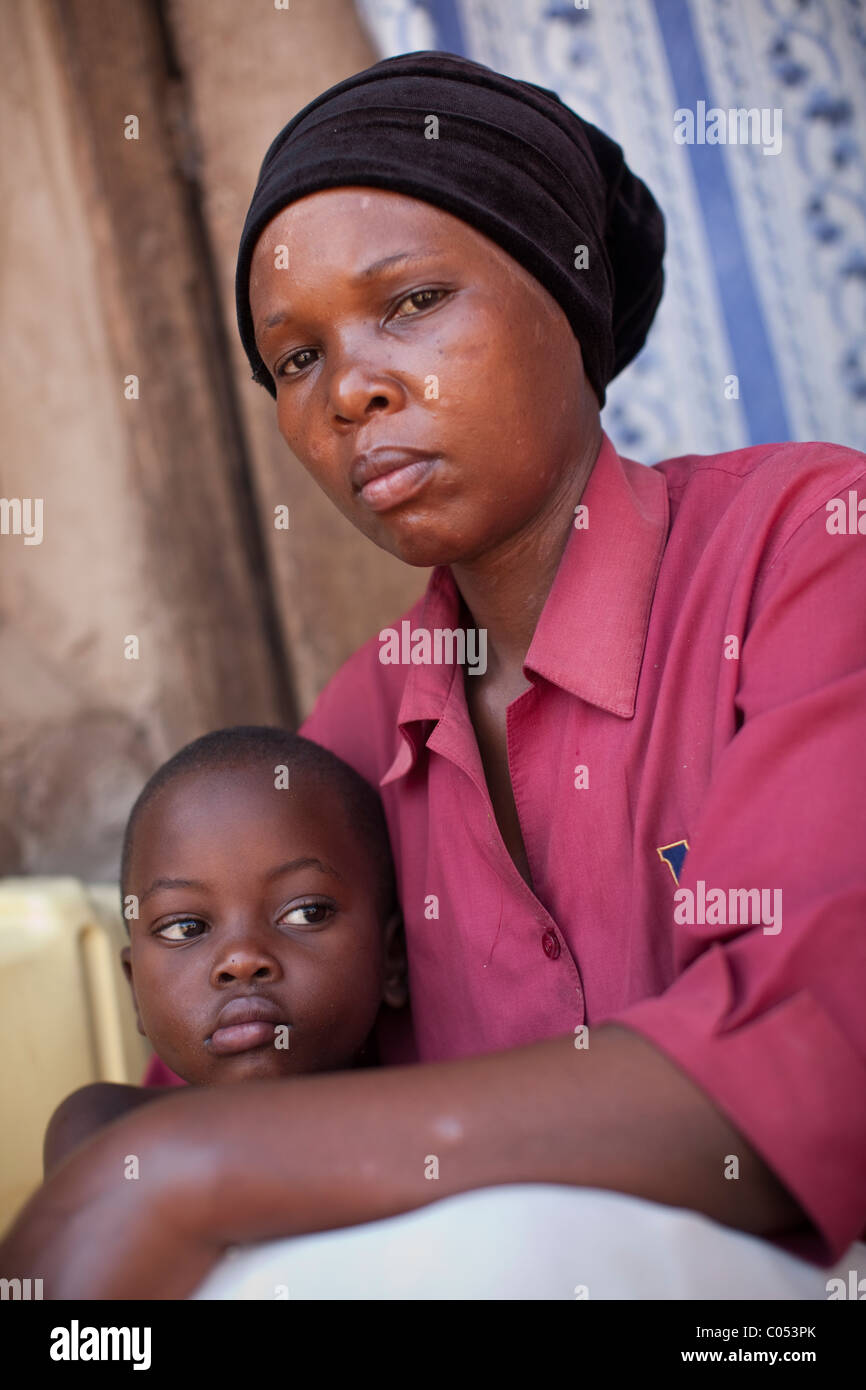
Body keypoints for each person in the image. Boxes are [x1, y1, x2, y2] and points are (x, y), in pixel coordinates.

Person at [1, 49, 864, 1301]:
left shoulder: (806, 547)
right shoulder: (361, 720)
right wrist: (124, 1132)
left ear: (564, 297)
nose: (350, 389)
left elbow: (817, 1060)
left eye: (409, 302)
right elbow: (209, 1090)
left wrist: (195, 1166)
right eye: (294, 360)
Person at [41, 727, 407, 1177]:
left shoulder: (437, 1123)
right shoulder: (106, 1126)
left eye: (306, 913)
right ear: (135, 989)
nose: (241, 959)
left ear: (392, 958)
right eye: (185, 927)